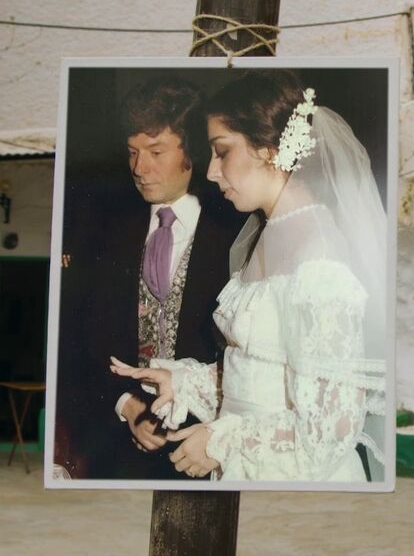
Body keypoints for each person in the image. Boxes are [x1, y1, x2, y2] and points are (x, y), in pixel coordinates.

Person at [112, 71, 387, 482]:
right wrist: (184, 382)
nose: (211, 171)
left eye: (222, 152)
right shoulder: (269, 230)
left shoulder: (320, 259)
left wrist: (219, 442)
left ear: (269, 150)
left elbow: (331, 432)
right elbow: (264, 373)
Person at [64, 77, 242, 479]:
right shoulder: (106, 232)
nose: (139, 169)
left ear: (192, 152)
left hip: (206, 449)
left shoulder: (233, 233)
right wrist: (126, 405)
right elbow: (82, 341)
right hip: (119, 454)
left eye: (156, 151)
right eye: (132, 153)